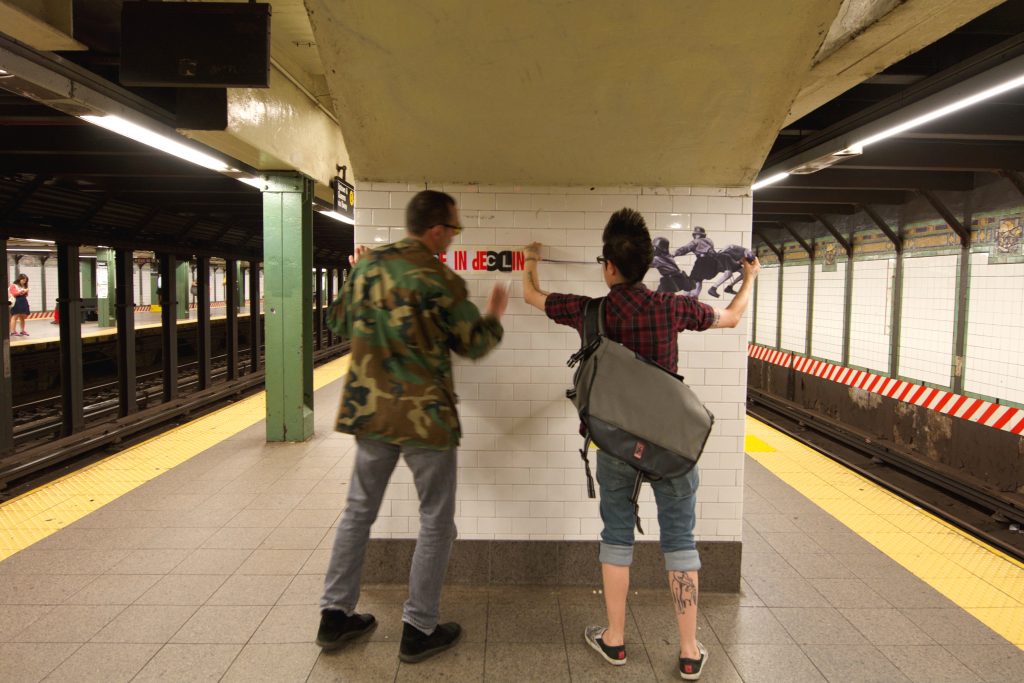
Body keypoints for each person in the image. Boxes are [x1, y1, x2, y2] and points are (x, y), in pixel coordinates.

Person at [521, 208, 759, 681]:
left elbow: (532, 296)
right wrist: (748, 277)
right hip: (672, 447)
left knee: (615, 537)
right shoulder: (673, 308)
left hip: (613, 446)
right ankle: (689, 650)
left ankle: (615, 639)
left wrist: (530, 259)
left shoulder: (590, 310)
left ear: (608, 266)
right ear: (647, 264)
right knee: (680, 542)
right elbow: (732, 318)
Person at [317, 190, 508, 663]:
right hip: (426, 420)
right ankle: (419, 628)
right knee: (437, 522)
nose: (453, 239)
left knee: (358, 512)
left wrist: (353, 273)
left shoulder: (367, 266)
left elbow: (337, 320)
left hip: (371, 412)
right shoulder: (440, 277)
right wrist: (496, 316)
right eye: (453, 230)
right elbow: (473, 344)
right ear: (437, 230)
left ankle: (334, 617)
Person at [673, 226, 718, 297]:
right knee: (698, 279)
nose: (695, 236)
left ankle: (691, 297)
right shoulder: (709, 241)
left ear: (696, 235)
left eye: (696, 234)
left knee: (694, 279)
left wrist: (674, 254)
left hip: (702, 261)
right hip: (713, 262)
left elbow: (685, 249)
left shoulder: (696, 241)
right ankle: (693, 296)